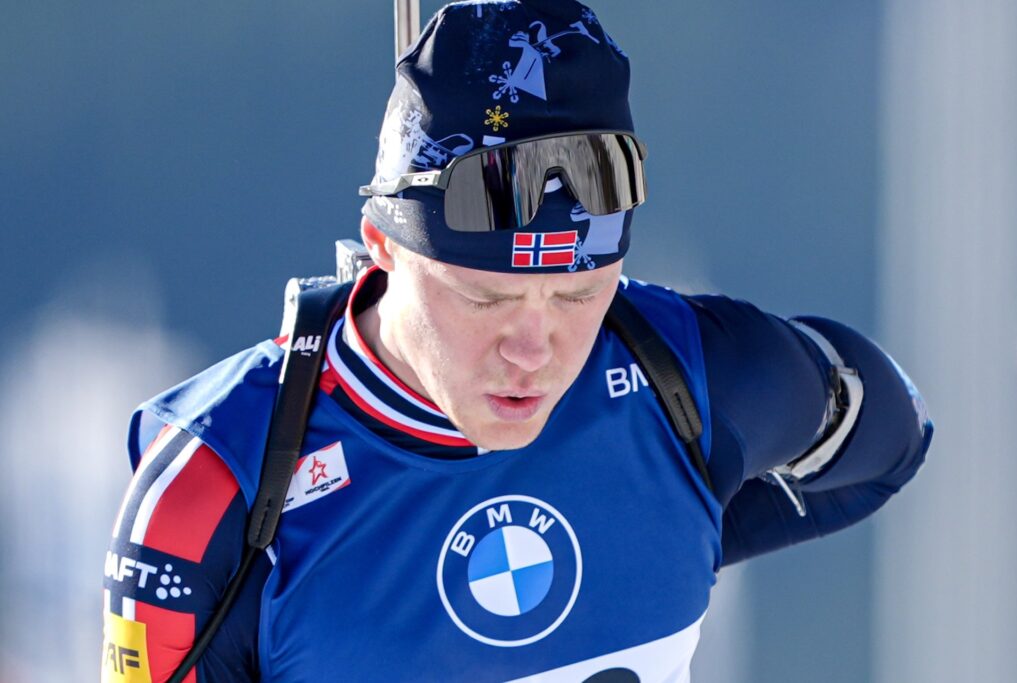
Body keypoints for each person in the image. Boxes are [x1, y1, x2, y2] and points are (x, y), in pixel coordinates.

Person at [101, 1, 932, 681]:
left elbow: (890, 429)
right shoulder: (219, 487)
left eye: (577, 293)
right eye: (484, 295)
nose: (534, 347)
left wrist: (689, 523)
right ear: (382, 248)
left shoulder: (683, 377)